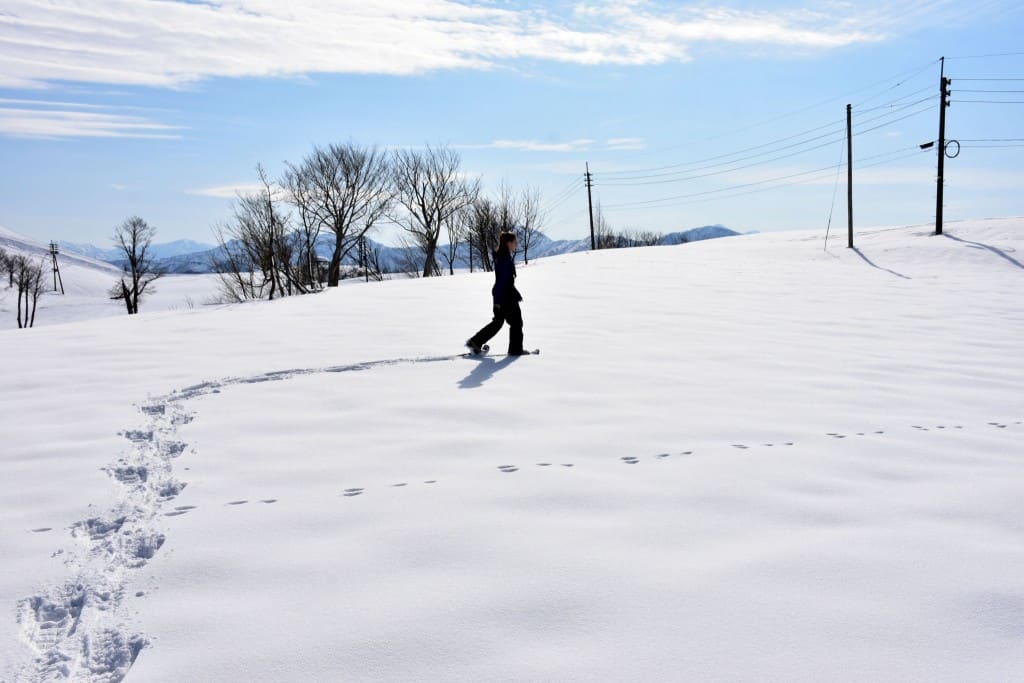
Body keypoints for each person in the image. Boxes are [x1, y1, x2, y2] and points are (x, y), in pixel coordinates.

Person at [466, 232, 528, 356]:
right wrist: (499, 302)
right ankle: (515, 350)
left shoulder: (502, 256)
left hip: (502, 295)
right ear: (508, 243)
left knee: (498, 322)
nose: (516, 245)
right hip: (506, 296)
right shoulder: (504, 259)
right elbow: (501, 282)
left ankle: (475, 342)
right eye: (514, 242)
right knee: (516, 322)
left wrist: (498, 300)